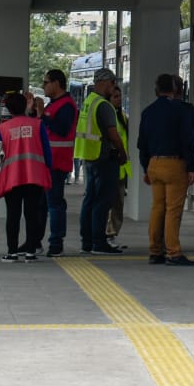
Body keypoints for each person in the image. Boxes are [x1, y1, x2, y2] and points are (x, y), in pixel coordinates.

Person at [138, 73, 194, 265]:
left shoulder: (147, 112)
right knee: (173, 210)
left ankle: (155, 251)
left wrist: (146, 168)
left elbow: (142, 143)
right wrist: (191, 166)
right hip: (175, 164)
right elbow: (186, 140)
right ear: (174, 89)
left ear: (157, 89)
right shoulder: (180, 111)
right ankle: (173, 252)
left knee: (157, 208)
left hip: (154, 164)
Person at [0, 92, 52, 261]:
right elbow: (47, 152)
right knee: (32, 215)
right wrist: (48, 170)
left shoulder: (3, 129)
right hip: (35, 177)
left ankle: (12, 252)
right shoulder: (37, 125)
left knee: (13, 215)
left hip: (12, 178)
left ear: (9, 109)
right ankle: (31, 251)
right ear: (25, 105)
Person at [75, 68, 126, 255]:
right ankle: (98, 242)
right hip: (104, 158)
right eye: (113, 83)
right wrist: (122, 152)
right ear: (105, 82)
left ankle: (87, 242)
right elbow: (113, 133)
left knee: (90, 199)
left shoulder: (89, 102)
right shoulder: (104, 105)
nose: (114, 87)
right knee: (102, 202)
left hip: (89, 156)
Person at [27, 69, 77, 257]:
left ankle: (56, 243)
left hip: (57, 163)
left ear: (56, 83)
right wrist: (34, 112)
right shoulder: (53, 105)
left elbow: (62, 130)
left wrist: (42, 115)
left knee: (54, 203)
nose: (43, 86)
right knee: (40, 204)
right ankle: (36, 241)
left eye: (46, 82)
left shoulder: (67, 105)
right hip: (46, 162)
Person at [105, 85, 130, 249]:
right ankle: (106, 235)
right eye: (115, 96)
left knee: (118, 205)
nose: (118, 99)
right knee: (108, 204)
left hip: (122, 167)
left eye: (120, 96)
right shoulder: (107, 117)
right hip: (109, 166)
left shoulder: (123, 117)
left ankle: (112, 234)